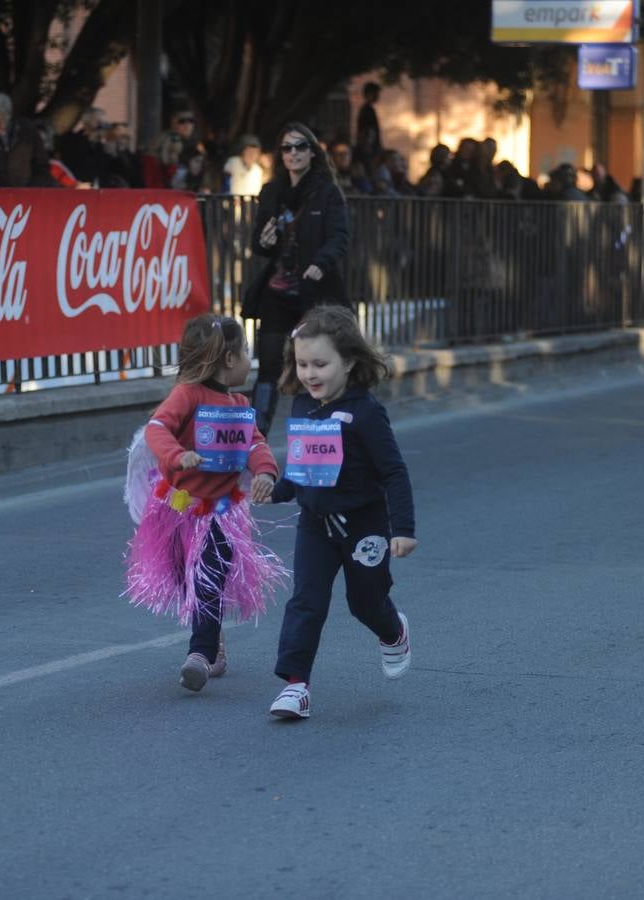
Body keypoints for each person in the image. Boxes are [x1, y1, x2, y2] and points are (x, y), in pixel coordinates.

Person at [263, 305, 416, 719]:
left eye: (320, 364)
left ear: (348, 362)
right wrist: (277, 491)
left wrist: (402, 528)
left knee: (365, 602)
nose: (310, 373)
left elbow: (393, 471)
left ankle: (394, 630)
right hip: (315, 525)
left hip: (363, 526)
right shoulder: (300, 406)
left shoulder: (365, 413)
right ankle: (295, 686)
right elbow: (302, 465)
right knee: (306, 602)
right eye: (302, 363)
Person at [124, 314, 284, 692]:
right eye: (246, 351)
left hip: (221, 513)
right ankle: (214, 644)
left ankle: (199, 654)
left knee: (208, 576)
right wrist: (177, 455)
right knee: (188, 580)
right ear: (229, 360)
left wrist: (264, 472)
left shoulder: (240, 402)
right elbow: (158, 428)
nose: (249, 359)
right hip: (178, 507)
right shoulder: (187, 395)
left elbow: (255, 443)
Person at [242, 122, 351, 437]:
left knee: (313, 367)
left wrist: (321, 262)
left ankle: (317, 436)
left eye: (300, 146)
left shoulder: (327, 193)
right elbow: (258, 245)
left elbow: (340, 238)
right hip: (277, 292)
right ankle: (256, 438)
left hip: (314, 293)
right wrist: (264, 240)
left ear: (313, 152)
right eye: (287, 148)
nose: (293, 153)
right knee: (269, 368)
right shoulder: (272, 192)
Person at [0, 92, 53, 187]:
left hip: (26, 191)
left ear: (8, 116)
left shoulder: (27, 131)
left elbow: (41, 165)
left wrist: (33, 188)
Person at [355, 81, 382, 174]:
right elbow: (368, 131)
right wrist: (370, 148)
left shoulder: (367, 109)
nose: (378, 96)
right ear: (370, 94)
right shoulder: (367, 110)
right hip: (369, 150)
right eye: (376, 94)